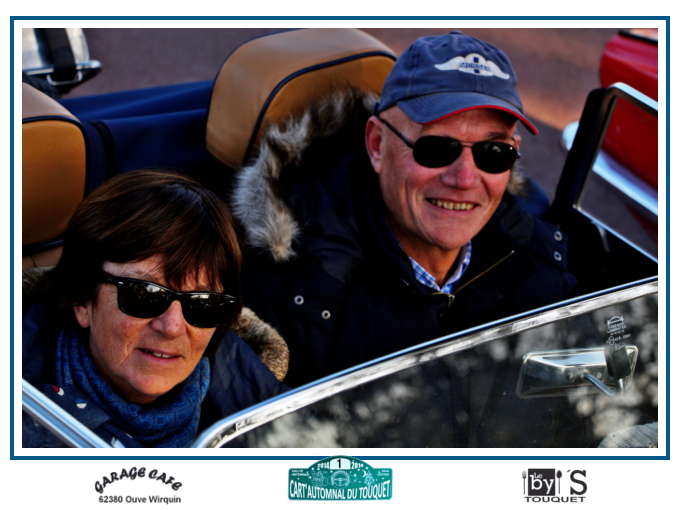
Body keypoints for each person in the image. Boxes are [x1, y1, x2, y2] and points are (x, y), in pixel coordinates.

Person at [236, 31, 578, 387]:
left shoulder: (541, 266)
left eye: (493, 153)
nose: (464, 179)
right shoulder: (291, 296)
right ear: (377, 145)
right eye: (436, 148)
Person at [23, 170, 288, 448]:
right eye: (145, 294)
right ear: (82, 299)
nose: (172, 326)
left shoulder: (263, 407)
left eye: (202, 303)